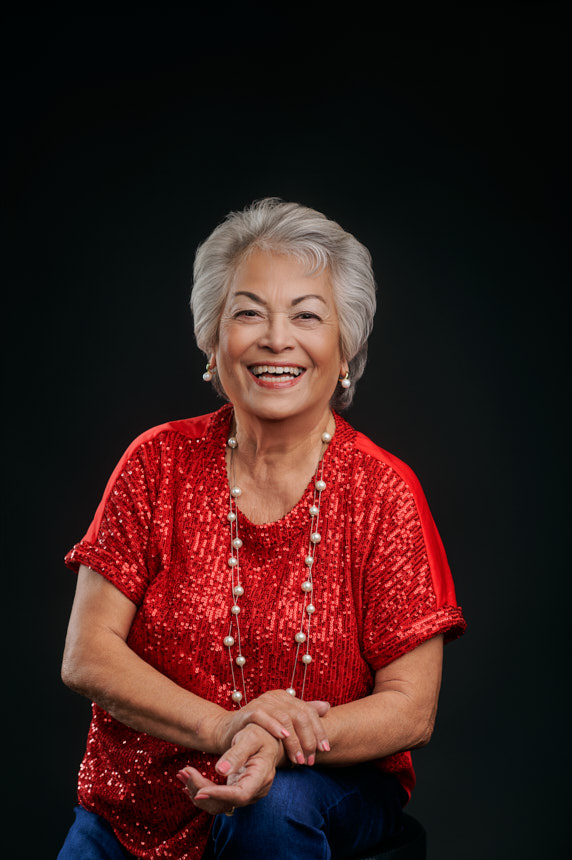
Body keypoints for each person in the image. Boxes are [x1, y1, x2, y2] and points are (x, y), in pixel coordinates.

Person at [59, 198, 466, 860]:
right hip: (131, 809)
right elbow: (87, 654)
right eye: (249, 312)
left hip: (316, 794)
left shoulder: (384, 492)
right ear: (212, 340)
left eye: (307, 315)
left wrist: (277, 742)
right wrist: (226, 727)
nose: (277, 338)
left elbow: (410, 710)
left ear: (345, 346)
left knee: (274, 810)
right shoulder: (156, 463)